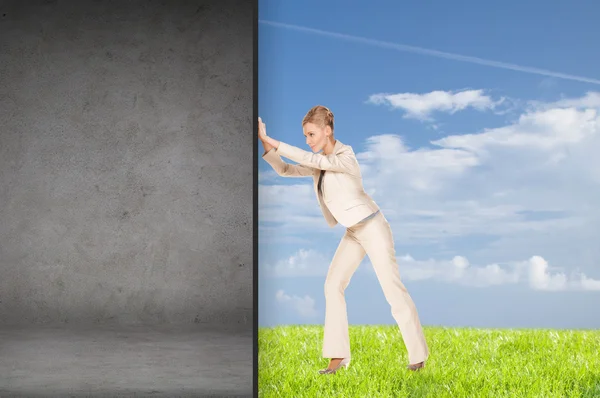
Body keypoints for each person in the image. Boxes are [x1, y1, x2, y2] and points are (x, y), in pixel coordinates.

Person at [258, 105, 429, 374]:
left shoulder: (345, 156)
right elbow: (286, 170)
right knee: (333, 285)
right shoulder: (320, 165)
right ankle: (338, 358)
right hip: (352, 232)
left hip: (373, 227)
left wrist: (275, 141)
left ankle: (418, 356)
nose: (308, 141)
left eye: (311, 135)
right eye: (305, 136)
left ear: (327, 131)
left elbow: (315, 161)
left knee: (392, 290)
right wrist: (267, 148)